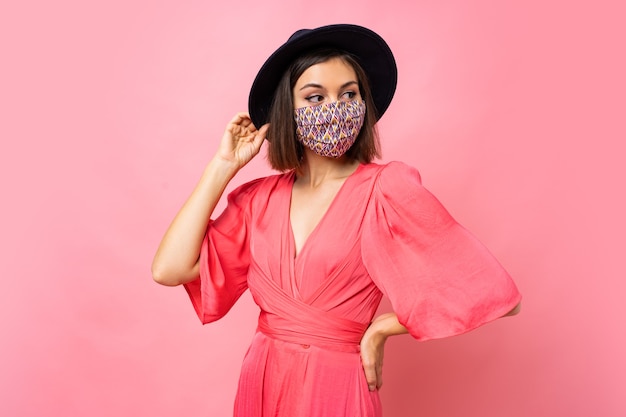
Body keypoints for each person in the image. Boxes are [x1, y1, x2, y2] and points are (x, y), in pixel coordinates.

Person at [152, 24, 521, 417]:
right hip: (263, 379)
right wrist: (222, 167)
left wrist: (382, 327)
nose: (335, 106)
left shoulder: (385, 189)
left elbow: (497, 297)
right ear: (287, 111)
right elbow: (169, 269)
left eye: (349, 94)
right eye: (315, 96)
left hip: (338, 386)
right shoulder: (258, 200)